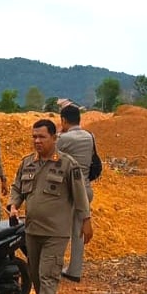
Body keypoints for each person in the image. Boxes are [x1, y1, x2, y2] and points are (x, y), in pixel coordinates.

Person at [7, 119, 92, 294]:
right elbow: (17, 187)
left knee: (48, 274)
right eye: (34, 137)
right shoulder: (27, 163)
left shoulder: (67, 164)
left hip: (56, 231)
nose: (37, 141)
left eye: (42, 137)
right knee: (35, 273)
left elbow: (80, 195)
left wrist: (86, 220)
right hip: (32, 230)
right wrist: (14, 205)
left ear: (55, 138)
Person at [54, 104, 96, 282]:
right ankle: (75, 271)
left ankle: (54, 268)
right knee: (78, 231)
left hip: (68, 191)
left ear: (63, 120)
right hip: (86, 189)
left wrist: (57, 134)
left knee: (59, 231)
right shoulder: (90, 136)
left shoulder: (64, 139)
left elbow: (52, 156)